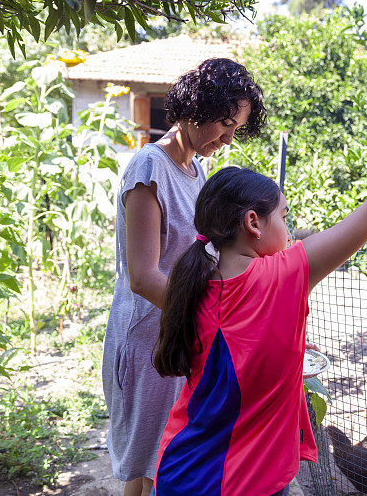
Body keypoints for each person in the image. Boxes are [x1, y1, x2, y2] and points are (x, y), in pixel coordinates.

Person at [151, 143, 367, 495]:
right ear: (253, 223)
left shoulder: (192, 283)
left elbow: (229, 356)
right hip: (239, 484)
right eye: (284, 216)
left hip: (177, 470)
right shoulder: (283, 275)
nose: (289, 230)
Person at [101, 58, 266, 496]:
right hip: (148, 340)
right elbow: (142, 276)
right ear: (198, 108)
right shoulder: (149, 170)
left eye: (236, 131)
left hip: (181, 332)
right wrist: (210, 313)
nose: (228, 140)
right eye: (224, 125)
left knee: (166, 457)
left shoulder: (198, 173)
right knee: (147, 465)